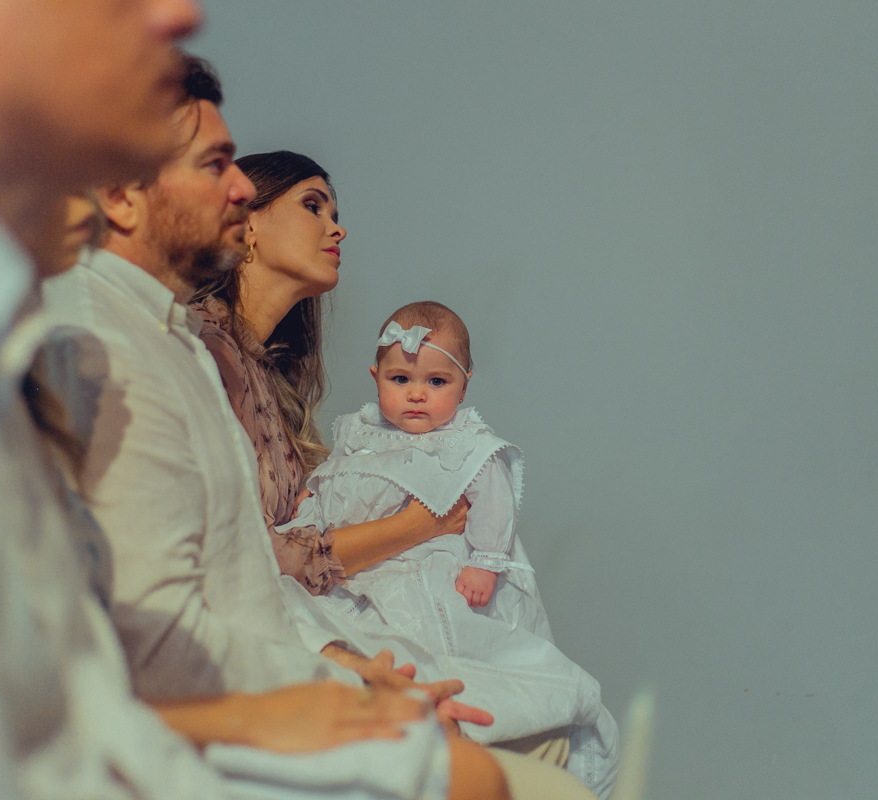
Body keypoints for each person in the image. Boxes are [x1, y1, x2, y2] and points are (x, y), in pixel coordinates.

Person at [0, 3, 505, 799]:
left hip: (162, 735)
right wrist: (292, 707)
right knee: (466, 776)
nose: (180, 13)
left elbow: (69, 688)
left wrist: (316, 692)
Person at [38, 55, 521, 800]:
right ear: (121, 197)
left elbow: (241, 585)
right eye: (215, 165)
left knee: (480, 722)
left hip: (269, 649)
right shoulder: (122, 345)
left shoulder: (191, 349)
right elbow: (163, 614)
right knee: (468, 771)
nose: (236, 187)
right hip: (193, 700)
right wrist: (305, 692)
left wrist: (343, 669)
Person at [278, 301, 620, 795]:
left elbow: (494, 503)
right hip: (363, 573)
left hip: (437, 570)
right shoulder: (360, 436)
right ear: (375, 377)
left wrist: (484, 560)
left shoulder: (466, 445)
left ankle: (454, 712)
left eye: (437, 383)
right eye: (400, 380)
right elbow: (335, 481)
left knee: (446, 637)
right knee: (355, 635)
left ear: (464, 384)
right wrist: (312, 497)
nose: (417, 394)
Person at [189, 153, 471, 596]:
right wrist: (418, 525)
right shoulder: (198, 346)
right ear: (246, 223)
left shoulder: (266, 377)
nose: (337, 229)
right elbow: (242, 555)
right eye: (312, 206)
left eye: (334, 214)